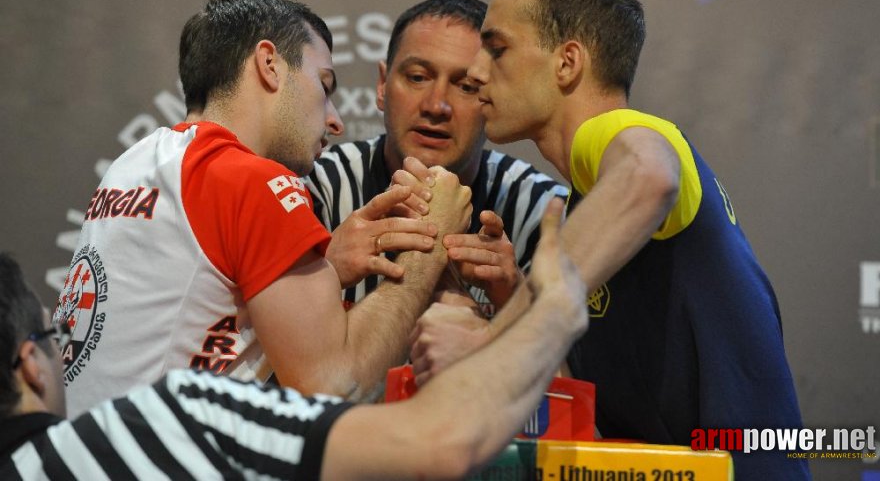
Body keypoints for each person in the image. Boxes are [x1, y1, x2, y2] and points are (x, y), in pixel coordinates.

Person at [416, 0, 810, 479]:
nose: (475, 70)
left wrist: (492, 343)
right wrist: (509, 296)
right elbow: (582, 406)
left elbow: (651, 175)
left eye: (497, 47)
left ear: (567, 62)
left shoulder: (622, 133)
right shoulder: (590, 204)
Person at [52, 0, 474, 417]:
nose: (335, 120)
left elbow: (188, 306)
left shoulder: (136, 163)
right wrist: (429, 248)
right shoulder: (254, 180)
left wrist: (325, 269)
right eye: (323, 86)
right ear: (270, 65)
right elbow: (334, 387)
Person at [1, 202, 588, 479]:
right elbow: (428, 436)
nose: (333, 119)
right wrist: (545, 314)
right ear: (31, 363)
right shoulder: (173, 417)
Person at [306, 0, 568, 316]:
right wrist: (322, 274)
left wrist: (513, 299)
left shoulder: (542, 210)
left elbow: (572, 361)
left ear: (492, 98)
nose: (436, 106)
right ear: (382, 85)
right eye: (418, 77)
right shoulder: (316, 188)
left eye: (466, 86)